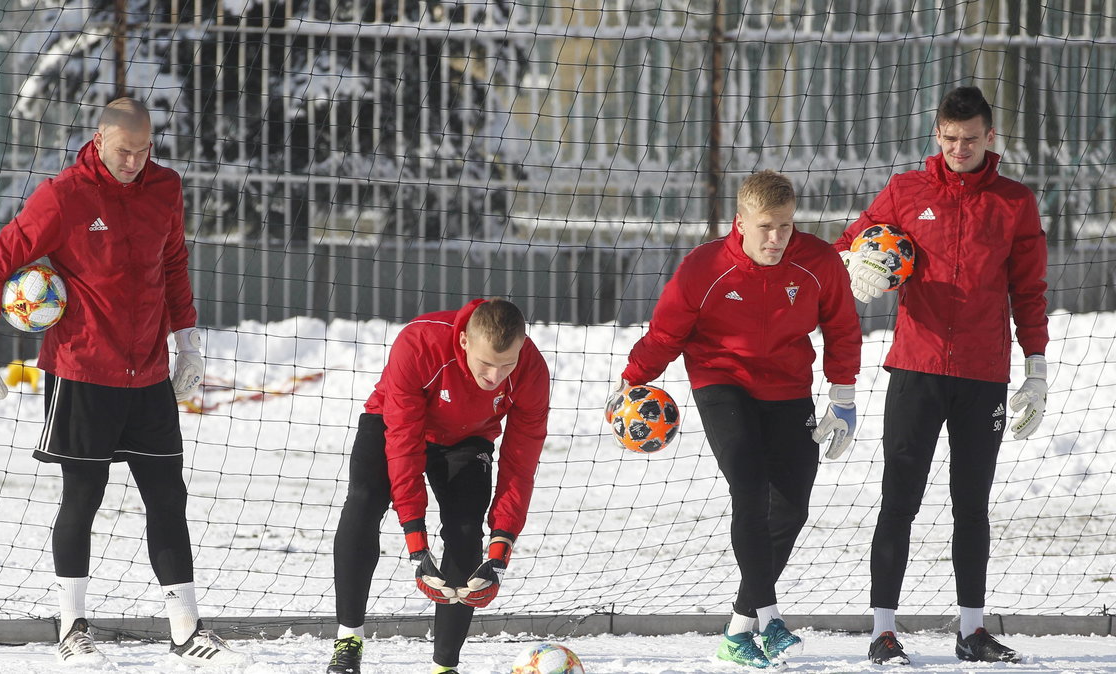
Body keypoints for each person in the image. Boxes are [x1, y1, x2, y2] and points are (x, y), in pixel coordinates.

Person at [0, 98, 250, 668]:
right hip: (82, 371)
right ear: (97, 139)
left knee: (169, 497)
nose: (135, 161)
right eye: (124, 151)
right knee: (82, 498)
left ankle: (186, 629)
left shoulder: (165, 187)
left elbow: (173, 264)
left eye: (144, 151)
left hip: (149, 375)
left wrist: (186, 340)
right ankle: (72, 627)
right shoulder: (64, 195)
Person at [611, 170, 862, 668]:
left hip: (789, 388)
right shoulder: (704, 268)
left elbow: (841, 326)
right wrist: (630, 380)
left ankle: (738, 630)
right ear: (740, 222)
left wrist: (844, 397)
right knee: (747, 487)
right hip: (720, 381)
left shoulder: (819, 262)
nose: (776, 238)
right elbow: (665, 334)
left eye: (786, 226)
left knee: (790, 509)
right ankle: (770, 619)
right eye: (766, 226)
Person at [837, 85, 1049, 665]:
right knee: (898, 499)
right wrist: (859, 267)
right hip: (916, 368)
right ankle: (883, 630)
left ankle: (972, 631)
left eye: (971, 139)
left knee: (971, 503)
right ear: (937, 134)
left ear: (990, 138)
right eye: (950, 138)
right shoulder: (907, 191)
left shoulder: (1014, 202)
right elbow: (851, 242)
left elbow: (1029, 290)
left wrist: (1036, 366)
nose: (959, 147)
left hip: (984, 374)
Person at [326, 298, 551, 674]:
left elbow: (520, 466)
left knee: (465, 534)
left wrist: (499, 553)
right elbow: (403, 444)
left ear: (522, 346)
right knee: (364, 500)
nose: (495, 377)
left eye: (506, 364)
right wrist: (416, 544)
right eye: (486, 364)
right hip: (393, 422)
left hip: (467, 437)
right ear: (463, 342)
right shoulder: (418, 343)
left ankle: (444, 667)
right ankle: (348, 638)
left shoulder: (531, 370)